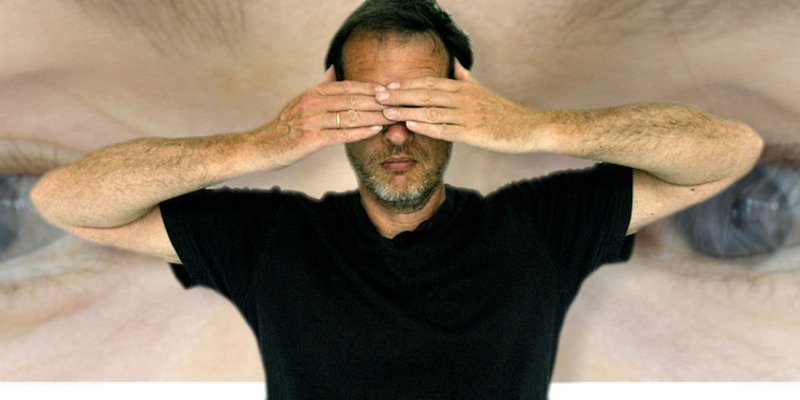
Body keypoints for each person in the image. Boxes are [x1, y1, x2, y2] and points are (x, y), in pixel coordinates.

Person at [2, 0, 797, 393]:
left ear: (465, 104)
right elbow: (68, 202)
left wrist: (532, 127)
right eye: (371, 106)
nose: (396, 133)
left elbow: (727, 154)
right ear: (329, 104)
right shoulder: (269, 237)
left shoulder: (541, 225)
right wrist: (260, 144)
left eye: (422, 105)